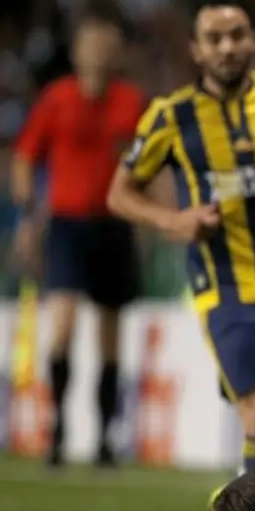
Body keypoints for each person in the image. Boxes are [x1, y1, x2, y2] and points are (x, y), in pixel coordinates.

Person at [107, 0, 255, 476]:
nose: (227, 47)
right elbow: (119, 194)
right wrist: (173, 221)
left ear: (254, 40)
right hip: (224, 286)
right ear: (196, 50)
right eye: (214, 38)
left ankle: (245, 495)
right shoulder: (172, 116)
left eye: (236, 35)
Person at [11, 9, 145, 468]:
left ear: (118, 54)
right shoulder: (57, 99)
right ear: (77, 53)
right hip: (67, 226)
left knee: (111, 336)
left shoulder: (132, 103)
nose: (100, 54)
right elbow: (26, 156)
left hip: (114, 226)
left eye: (108, 47)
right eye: (92, 46)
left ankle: (106, 437)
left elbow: (147, 162)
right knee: (62, 327)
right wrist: (29, 213)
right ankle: (57, 429)